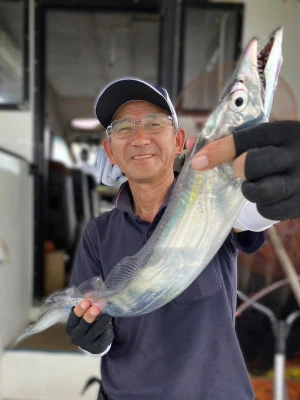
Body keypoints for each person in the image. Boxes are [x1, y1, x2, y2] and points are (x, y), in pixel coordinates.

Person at [66, 77, 300, 400]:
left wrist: (282, 180)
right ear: (110, 151)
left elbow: (252, 212)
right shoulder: (98, 233)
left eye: (153, 123)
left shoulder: (212, 202)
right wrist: (91, 337)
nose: (139, 138)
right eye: (123, 128)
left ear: (179, 142)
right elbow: (93, 323)